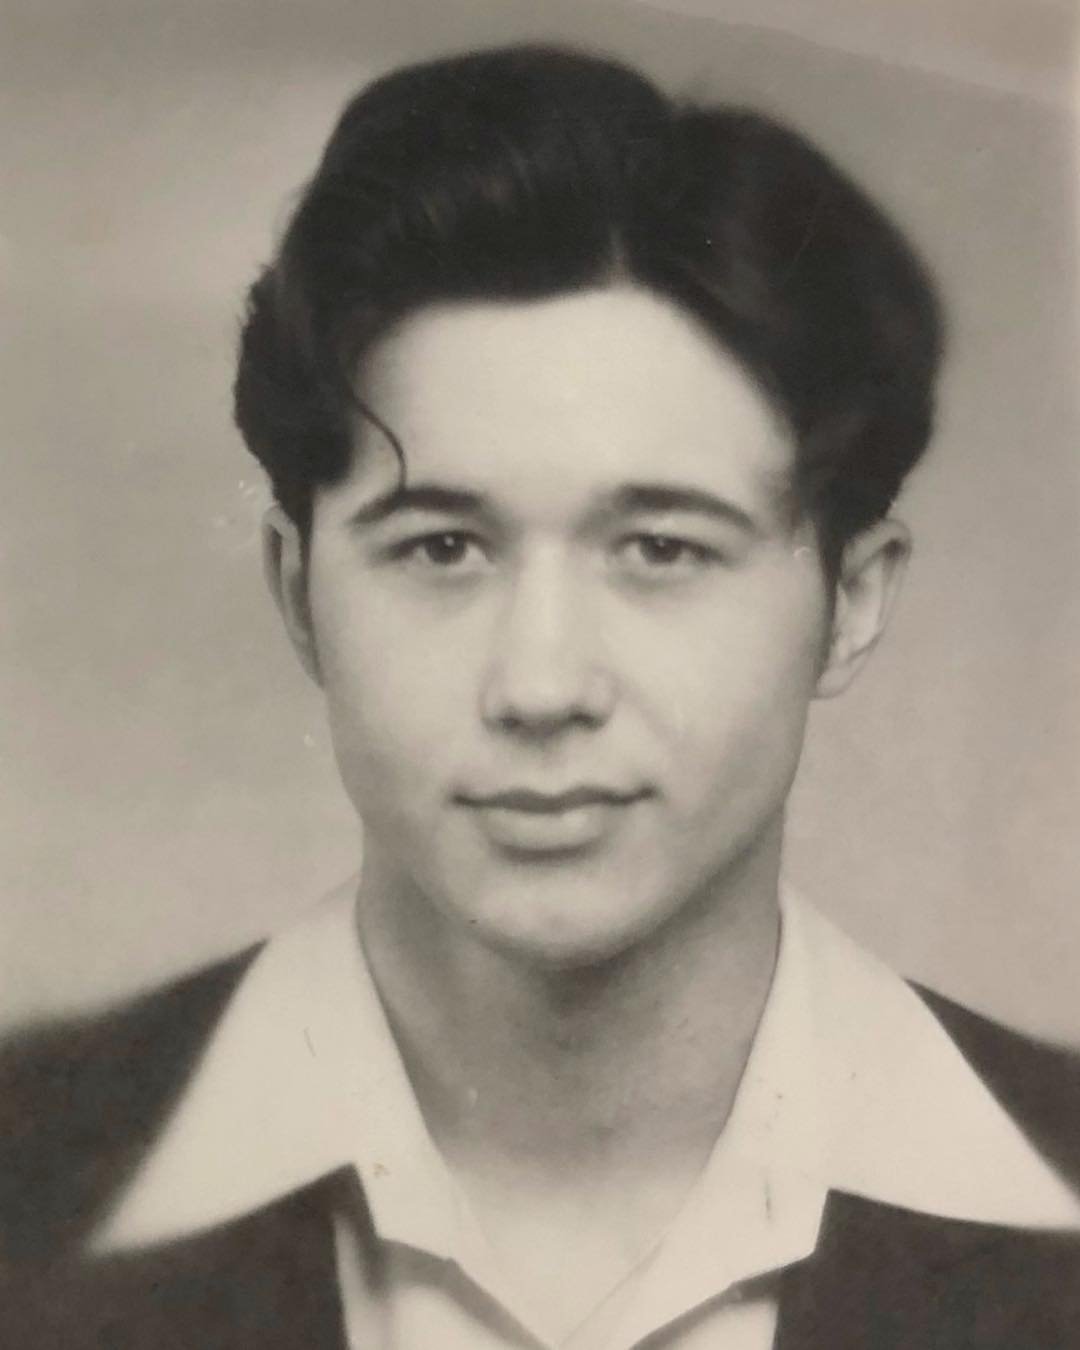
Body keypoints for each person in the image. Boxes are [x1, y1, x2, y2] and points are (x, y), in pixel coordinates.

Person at [3, 42, 1079, 1350]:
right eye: (443, 547)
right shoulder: (28, 1174)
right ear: (298, 593)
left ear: (850, 600)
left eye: (662, 548)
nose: (542, 684)